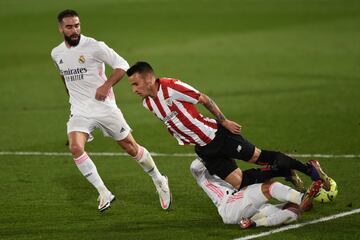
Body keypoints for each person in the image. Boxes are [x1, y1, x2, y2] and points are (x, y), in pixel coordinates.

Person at [126, 61, 331, 192]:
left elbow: (203, 99)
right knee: (238, 182)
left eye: (135, 84)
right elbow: (171, 121)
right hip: (204, 149)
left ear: (149, 79)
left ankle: (309, 169)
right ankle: (283, 172)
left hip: (217, 135)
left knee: (258, 157)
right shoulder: (148, 103)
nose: (134, 89)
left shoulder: (171, 87)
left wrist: (223, 121)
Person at [50, 10, 171, 212]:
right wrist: (71, 96)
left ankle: (159, 179)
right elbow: (63, 75)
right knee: (75, 148)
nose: (74, 30)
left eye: (77, 25)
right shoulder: (56, 53)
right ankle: (103, 191)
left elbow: (122, 65)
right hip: (79, 110)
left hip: (104, 107)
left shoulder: (95, 46)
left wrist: (106, 86)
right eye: (69, 27)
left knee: (130, 147)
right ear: (61, 28)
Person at [190, 158, 322, 228]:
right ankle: (302, 197)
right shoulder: (200, 172)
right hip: (229, 204)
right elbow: (197, 164)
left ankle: (255, 223)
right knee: (269, 187)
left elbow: (246, 179)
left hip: (240, 206)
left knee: (293, 208)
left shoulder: (227, 168)